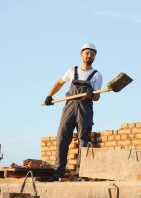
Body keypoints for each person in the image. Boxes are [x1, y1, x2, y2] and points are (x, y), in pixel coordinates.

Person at [44, 43, 103, 179]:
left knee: (84, 139)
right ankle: (58, 171)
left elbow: (98, 97)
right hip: (69, 106)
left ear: (95, 57)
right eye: (87, 53)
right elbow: (60, 83)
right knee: (62, 138)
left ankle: (82, 173)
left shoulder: (97, 75)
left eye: (93, 54)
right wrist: (49, 95)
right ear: (81, 54)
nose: (90, 56)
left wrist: (91, 94)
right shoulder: (72, 70)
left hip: (85, 109)